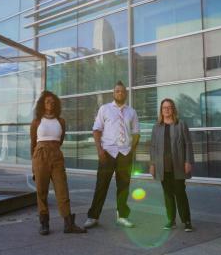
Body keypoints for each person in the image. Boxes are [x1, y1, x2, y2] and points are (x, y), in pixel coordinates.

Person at [84, 81, 140, 229]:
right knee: (101, 186)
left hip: (124, 153)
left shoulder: (131, 112)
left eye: (122, 91)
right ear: (113, 93)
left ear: (126, 94)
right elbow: (96, 130)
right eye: (117, 91)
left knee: (123, 187)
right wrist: (99, 151)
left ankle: (122, 216)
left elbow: (136, 134)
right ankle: (93, 217)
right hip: (107, 153)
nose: (120, 93)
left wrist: (131, 151)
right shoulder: (105, 109)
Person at [31, 91, 86, 235]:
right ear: (42, 103)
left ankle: (69, 224)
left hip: (56, 156)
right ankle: (44, 224)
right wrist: (33, 168)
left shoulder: (61, 121)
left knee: (62, 190)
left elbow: (60, 140)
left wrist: (53, 150)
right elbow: (33, 144)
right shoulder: (37, 121)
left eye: (53, 101)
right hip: (40, 156)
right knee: (41, 191)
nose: (51, 103)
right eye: (47, 101)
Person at [149, 98, 194, 232]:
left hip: (179, 165)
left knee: (180, 193)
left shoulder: (181, 124)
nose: (166, 110)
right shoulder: (156, 127)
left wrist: (188, 161)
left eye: (169, 107)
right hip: (163, 166)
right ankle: (171, 220)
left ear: (173, 109)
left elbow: (188, 144)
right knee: (167, 194)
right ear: (161, 111)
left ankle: (187, 221)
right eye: (164, 108)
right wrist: (152, 164)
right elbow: (153, 147)